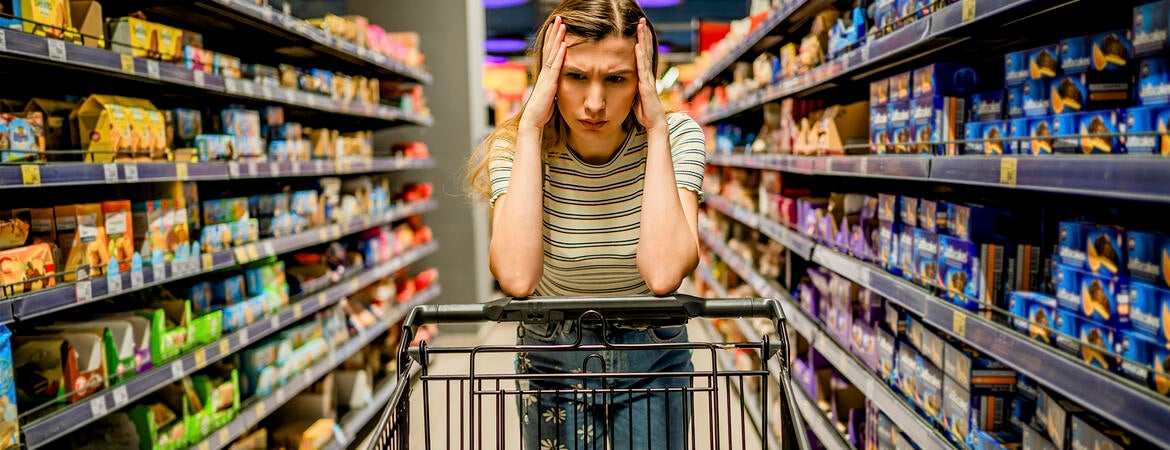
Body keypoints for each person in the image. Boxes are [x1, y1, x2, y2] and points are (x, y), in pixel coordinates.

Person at [466, 0, 706, 448]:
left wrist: (655, 131)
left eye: (617, 79)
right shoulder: (515, 147)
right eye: (575, 76)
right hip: (551, 359)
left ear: (642, 80)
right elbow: (517, 278)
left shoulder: (676, 137)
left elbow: (663, 274)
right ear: (550, 74)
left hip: (651, 358)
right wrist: (531, 128)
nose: (594, 103)